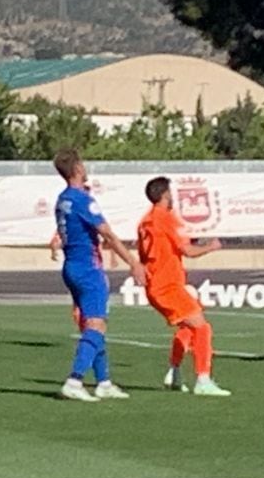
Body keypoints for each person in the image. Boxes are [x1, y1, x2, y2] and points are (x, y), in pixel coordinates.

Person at [52, 149, 145, 403]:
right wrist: (133, 262)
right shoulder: (83, 200)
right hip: (88, 269)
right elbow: (109, 235)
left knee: (94, 326)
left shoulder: (62, 199)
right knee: (96, 325)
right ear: (78, 169)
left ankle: (103, 382)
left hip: (71, 266)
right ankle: (74, 380)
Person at [137, 177, 228, 396]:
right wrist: (212, 246)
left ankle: (174, 372)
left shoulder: (145, 221)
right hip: (168, 285)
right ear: (165, 195)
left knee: (188, 326)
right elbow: (188, 250)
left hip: (156, 285)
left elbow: (145, 254)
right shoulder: (166, 218)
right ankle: (203, 379)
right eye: (170, 193)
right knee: (202, 327)